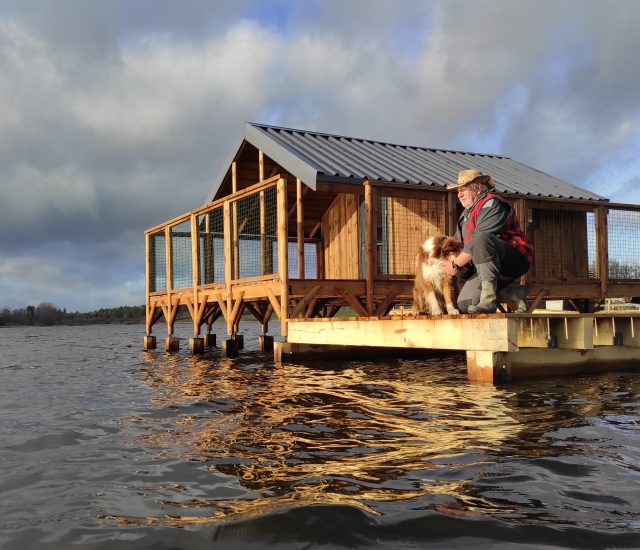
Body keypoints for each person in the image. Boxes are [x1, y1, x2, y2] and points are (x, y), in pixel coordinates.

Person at [440, 169, 533, 313]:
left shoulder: (493, 204)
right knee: (465, 304)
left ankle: (488, 300)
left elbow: (479, 240)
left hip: (512, 261)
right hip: (485, 264)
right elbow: (458, 244)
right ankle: (512, 293)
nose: (459, 194)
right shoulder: (466, 215)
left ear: (477, 188)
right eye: (458, 191)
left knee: (482, 238)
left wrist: (455, 265)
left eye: (463, 189)